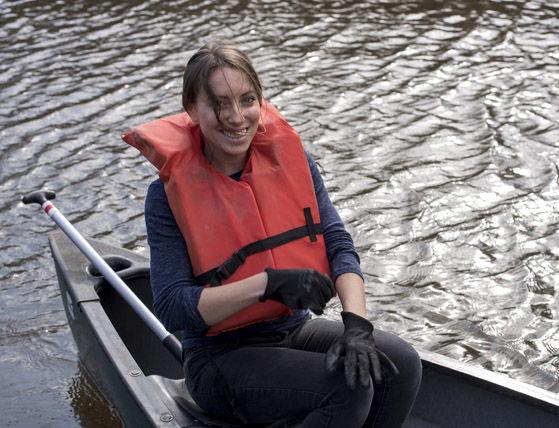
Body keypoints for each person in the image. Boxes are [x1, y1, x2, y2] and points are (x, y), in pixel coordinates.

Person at [123, 40, 422, 427]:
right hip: (220, 357)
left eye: (247, 100)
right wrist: (266, 284)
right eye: (219, 103)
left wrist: (357, 326)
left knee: (400, 364)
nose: (236, 116)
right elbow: (172, 306)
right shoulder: (166, 197)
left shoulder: (295, 163)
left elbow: (338, 245)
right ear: (191, 109)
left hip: (291, 329)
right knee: (347, 389)